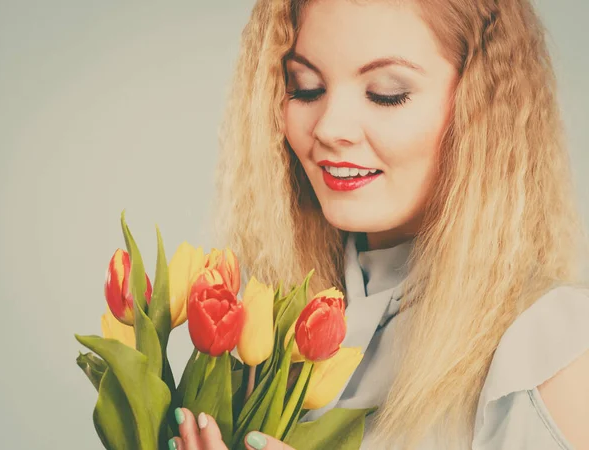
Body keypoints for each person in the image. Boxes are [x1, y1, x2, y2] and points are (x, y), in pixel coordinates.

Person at [169, 0, 589, 448]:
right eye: (306, 88)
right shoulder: (267, 317)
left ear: (485, 110)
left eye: (386, 93)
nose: (330, 128)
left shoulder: (550, 351)